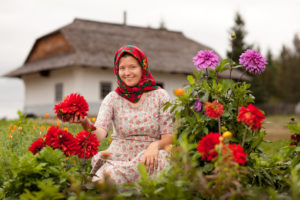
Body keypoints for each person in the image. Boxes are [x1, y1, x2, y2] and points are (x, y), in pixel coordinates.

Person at [70, 45, 173, 184]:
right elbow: (99, 135)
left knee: (161, 162)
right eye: (122, 68)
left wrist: (154, 146)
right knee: (106, 181)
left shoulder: (161, 96)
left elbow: (168, 138)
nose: (127, 72)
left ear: (142, 68)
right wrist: (85, 122)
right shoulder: (112, 99)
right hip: (119, 157)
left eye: (132, 67)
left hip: (150, 155)